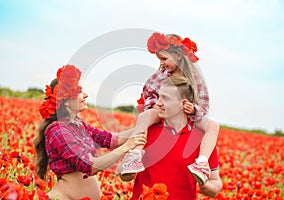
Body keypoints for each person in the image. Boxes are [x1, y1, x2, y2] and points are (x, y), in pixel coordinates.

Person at [34, 65, 153, 200]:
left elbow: (112, 139)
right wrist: (126, 147)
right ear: (66, 101)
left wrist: (147, 121)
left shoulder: (79, 125)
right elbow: (88, 165)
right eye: (79, 92)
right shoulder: (57, 131)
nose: (85, 95)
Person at [118, 32, 220, 185]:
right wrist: (155, 105)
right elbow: (148, 91)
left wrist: (193, 110)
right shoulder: (161, 75)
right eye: (159, 59)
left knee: (213, 126)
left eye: (164, 59)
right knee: (145, 116)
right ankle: (136, 155)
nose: (161, 63)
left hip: (187, 116)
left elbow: (203, 104)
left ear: (178, 56)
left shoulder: (194, 77)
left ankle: (202, 163)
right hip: (161, 112)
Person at [132, 76, 222, 199]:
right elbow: (124, 175)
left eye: (166, 98)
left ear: (183, 103)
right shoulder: (147, 128)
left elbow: (215, 185)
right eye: (159, 96)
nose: (158, 103)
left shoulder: (203, 140)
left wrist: (204, 183)